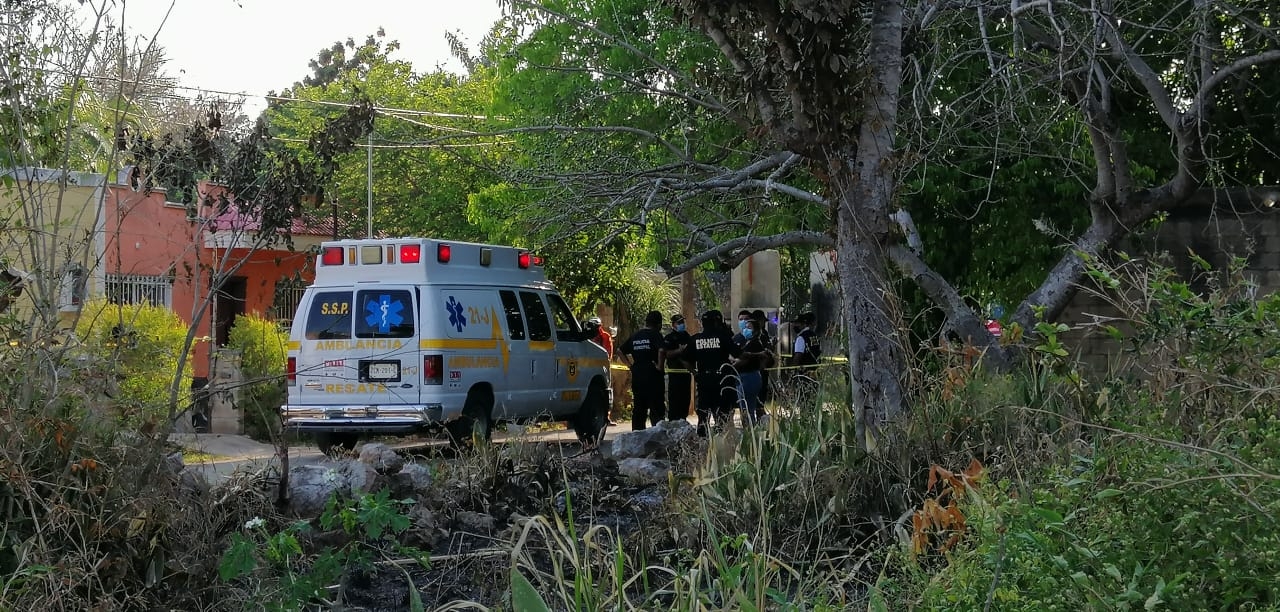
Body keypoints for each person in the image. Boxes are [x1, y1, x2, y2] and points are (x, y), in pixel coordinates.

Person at [688, 309, 741, 437]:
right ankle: (722, 443)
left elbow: (684, 359)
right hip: (722, 381)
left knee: (703, 415)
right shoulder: (723, 338)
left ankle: (702, 442)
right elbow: (739, 354)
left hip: (704, 380)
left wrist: (694, 373)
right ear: (717, 323)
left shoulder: (696, 339)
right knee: (722, 415)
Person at [618, 310, 666, 430]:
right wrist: (660, 366)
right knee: (657, 410)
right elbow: (661, 350)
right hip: (653, 376)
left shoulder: (636, 335)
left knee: (639, 410)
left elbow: (619, 351)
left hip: (638, 376)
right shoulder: (655, 334)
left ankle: (637, 437)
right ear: (659, 324)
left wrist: (630, 366)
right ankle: (658, 437)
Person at [732, 318, 770, 425]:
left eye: (749, 328)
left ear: (756, 330)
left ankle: (750, 430)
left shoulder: (755, 344)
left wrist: (734, 363)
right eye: (745, 327)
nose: (746, 330)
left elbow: (744, 360)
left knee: (747, 408)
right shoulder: (746, 342)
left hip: (749, 377)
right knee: (746, 407)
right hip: (743, 377)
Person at [663, 313, 693, 422]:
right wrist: (679, 351)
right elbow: (665, 353)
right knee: (675, 401)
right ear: (673, 324)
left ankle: (683, 420)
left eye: (682, 322)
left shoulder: (687, 336)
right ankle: (673, 421)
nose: (682, 324)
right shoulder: (669, 338)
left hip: (686, 373)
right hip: (674, 374)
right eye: (679, 322)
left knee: (685, 401)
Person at [751, 309, 777, 403]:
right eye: (762, 321)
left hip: (764, 369)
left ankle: (760, 410)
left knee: (762, 393)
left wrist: (772, 346)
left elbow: (768, 350)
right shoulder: (750, 334)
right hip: (753, 369)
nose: (763, 324)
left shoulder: (764, 333)